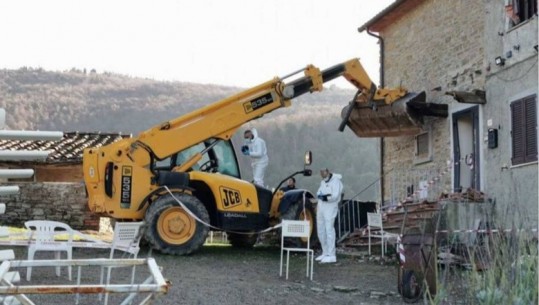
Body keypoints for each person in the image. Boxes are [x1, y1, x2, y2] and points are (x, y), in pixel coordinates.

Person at [315, 168, 343, 264]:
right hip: (321, 207)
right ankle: (325, 251)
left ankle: (331, 255)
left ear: (328, 171)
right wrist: (321, 196)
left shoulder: (336, 181)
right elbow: (318, 192)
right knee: (320, 230)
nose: (322, 173)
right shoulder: (323, 182)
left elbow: (335, 195)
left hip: (330, 208)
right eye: (320, 172)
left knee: (329, 230)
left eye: (323, 171)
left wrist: (325, 197)